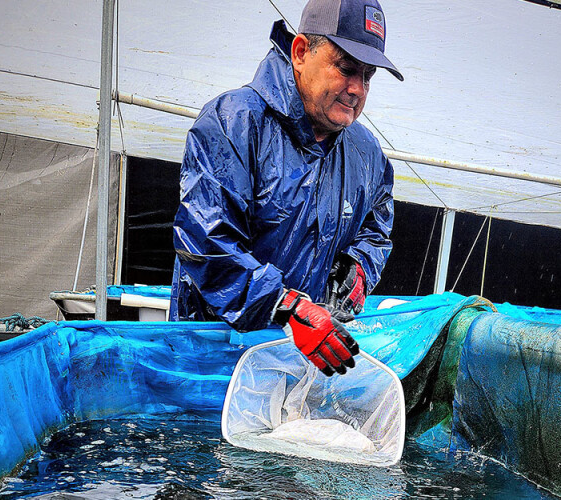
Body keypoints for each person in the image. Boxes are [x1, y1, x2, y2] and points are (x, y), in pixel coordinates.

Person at [170, 0, 402, 376]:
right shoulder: (235, 122)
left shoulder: (367, 154)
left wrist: (358, 269)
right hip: (211, 363)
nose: (357, 89)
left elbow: (377, 228)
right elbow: (206, 243)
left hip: (301, 365)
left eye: (368, 76)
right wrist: (287, 305)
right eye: (345, 68)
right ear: (299, 52)